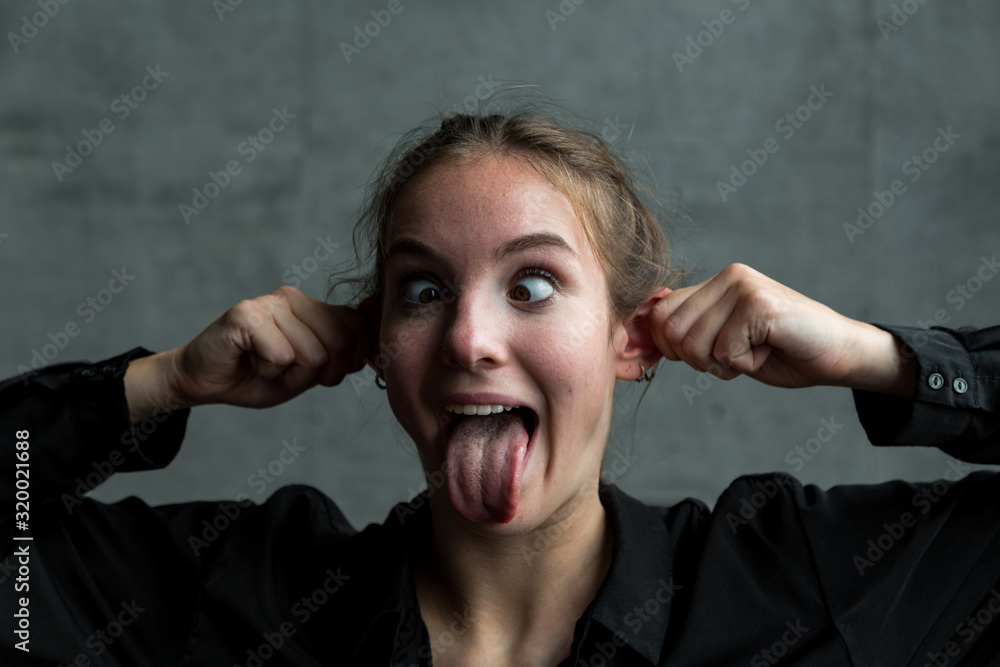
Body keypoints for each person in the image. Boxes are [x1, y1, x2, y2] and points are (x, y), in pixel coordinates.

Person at [2, 110, 998, 667]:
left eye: (531, 285)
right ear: (378, 347)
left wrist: (881, 357)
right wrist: (157, 384)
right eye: (423, 290)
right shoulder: (239, 596)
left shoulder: (801, 585)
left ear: (631, 336)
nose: (470, 338)